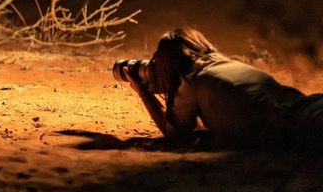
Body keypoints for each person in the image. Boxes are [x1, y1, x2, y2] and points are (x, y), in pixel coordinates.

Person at [123, 27, 323, 152]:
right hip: (308, 105)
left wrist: (142, 90)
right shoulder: (222, 62)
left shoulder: (190, 80)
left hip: (295, 128)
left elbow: (174, 134)